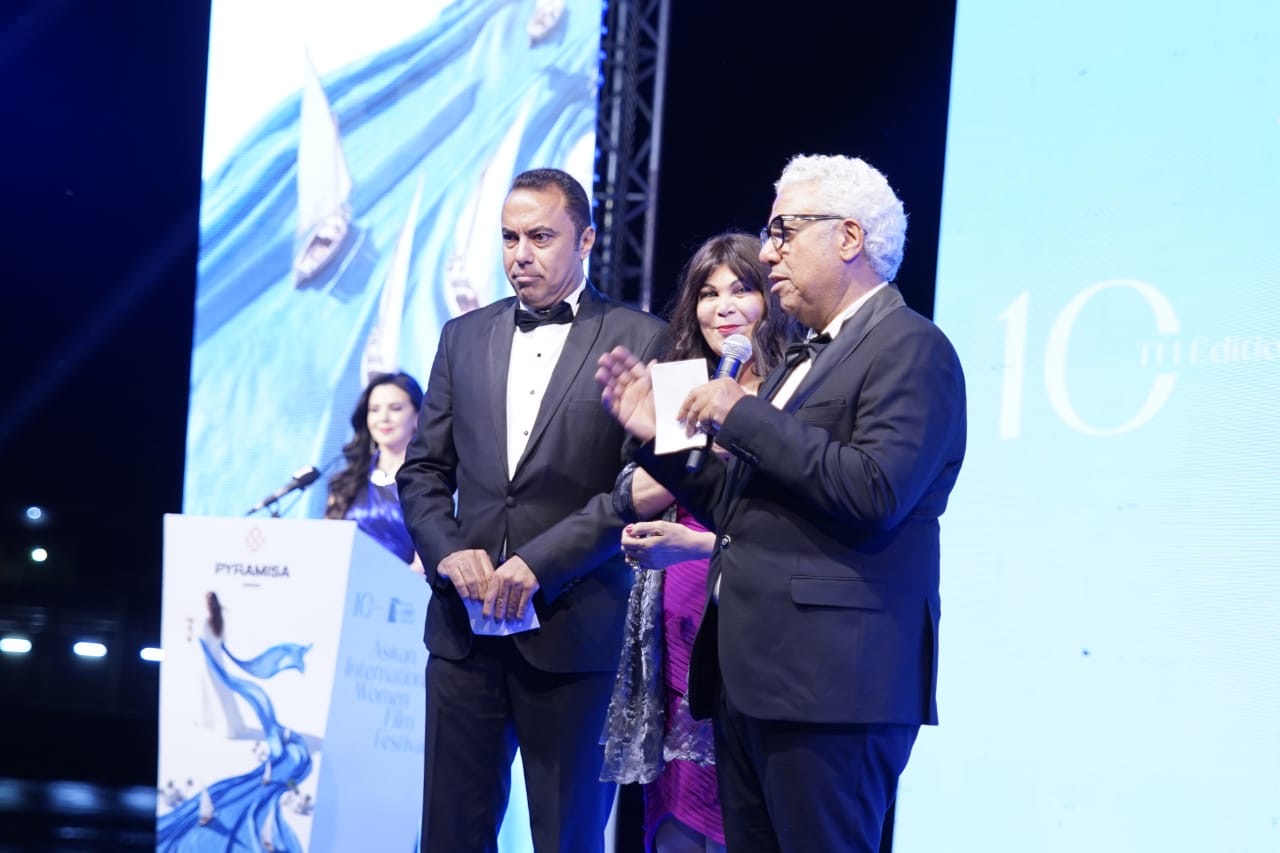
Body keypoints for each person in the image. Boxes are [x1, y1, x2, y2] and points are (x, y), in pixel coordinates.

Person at [595, 154, 967, 853]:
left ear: (849, 237)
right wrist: (658, 439)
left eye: (783, 231)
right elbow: (740, 512)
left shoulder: (912, 347)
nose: (768, 253)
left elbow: (875, 491)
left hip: (833, 688)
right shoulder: (806, 359)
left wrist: (742, 413)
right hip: (754, 682)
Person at [396, 167, 667, 852]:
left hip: (577, 631)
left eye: (541, 237)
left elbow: (645, 486)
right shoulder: (462, 335)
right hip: (463, 633)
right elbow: (423, 471)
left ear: (586, 240)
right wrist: (447, 551)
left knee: (567, 838)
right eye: (510, 238)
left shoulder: (645, 338)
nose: (520, 254)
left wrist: (539, 563)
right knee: (449, 837)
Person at [600, 233, 798, 853]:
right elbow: (629, 491)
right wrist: (673, 448)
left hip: (753, 619)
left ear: (772, 298)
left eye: (742, 290)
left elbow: (787, 529)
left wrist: (693, 541)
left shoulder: (793, 393)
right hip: (673, 622)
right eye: (709, 294)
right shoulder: (678, 387)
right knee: (676, 824)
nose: (723, 307)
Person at [325, 371, 425, 571]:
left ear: (417, 416)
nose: (383, 418)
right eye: (374, 410)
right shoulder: (348, 480)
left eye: (395, 408)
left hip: (405, 586)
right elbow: (327, 545)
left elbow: (425, 561)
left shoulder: (428, 480)